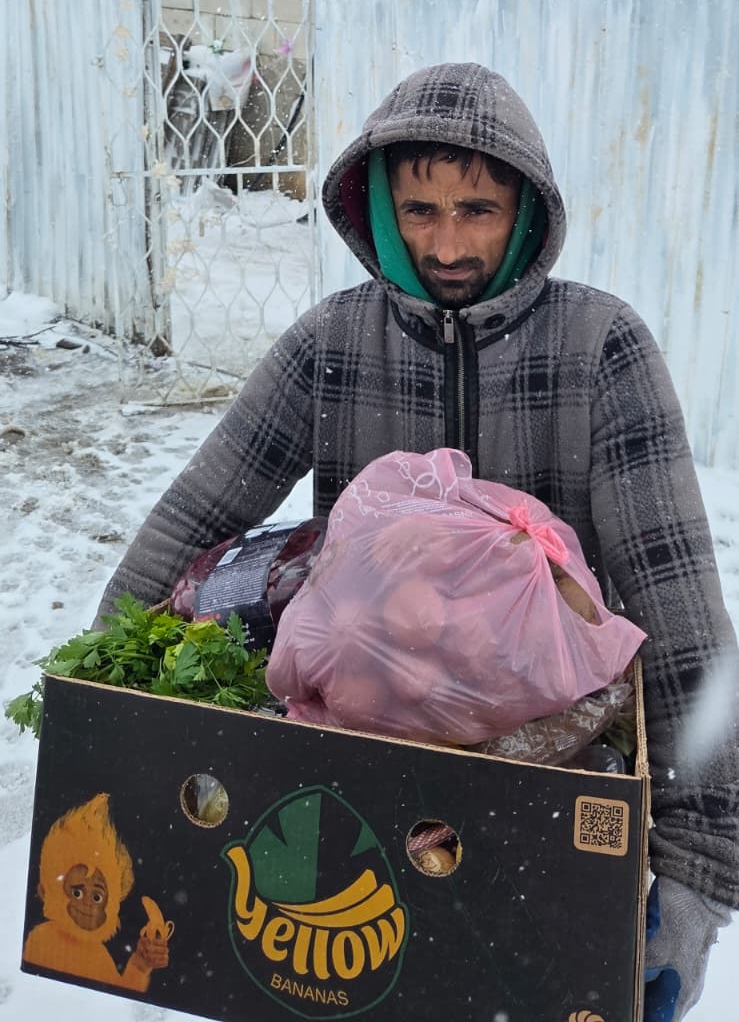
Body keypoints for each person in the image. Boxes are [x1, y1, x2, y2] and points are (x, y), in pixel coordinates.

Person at [98, 61, 737, 1019]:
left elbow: (676, 601)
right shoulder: (332, 343)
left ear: (527, 211)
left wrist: (693, 876)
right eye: (418, 210)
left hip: (541, 771)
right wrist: (99, 698)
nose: (446, 244)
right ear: (379, 210)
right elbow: (200, 510)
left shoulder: (598, 350)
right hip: (353, 777)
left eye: (478, 211)